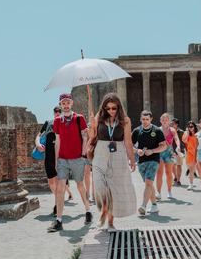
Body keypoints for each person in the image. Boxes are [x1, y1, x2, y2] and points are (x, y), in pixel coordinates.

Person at [88, 93, 136, 232]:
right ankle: (104, 210)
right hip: (100, 153)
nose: (110, 111)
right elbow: (92, 135)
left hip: (119, 153)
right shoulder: (98, 117)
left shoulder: (125, 120)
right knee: (99, 186)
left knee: (114, 190)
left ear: (118, 107)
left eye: (113, 108)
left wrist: (132, 159)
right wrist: (91, 124)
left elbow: (127, 141)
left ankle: (110, 222)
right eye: (107, 108)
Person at [47, 93, 92, 232]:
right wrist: (56, 159)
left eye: (67, 103)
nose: (65, 106)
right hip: (62, 159)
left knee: (80, 186)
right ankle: (58, 220)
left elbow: (85, 137)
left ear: (71, 103)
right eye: (63, 104)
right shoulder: (57, 121)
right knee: (60, 187)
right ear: (60, 105)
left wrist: (83, 154)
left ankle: (88, 210)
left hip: (77, 158)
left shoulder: (79, 118)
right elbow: (58, 141)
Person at [35, 106, 72, 217]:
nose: (57, 113)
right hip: (49, 156)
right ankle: (59, 199)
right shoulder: (48, 123)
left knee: (60, 182)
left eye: (59, 111)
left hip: (62, 157)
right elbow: (39, 135)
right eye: (55, 111)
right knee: (51, 182)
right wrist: (37, 144)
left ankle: (57, 204)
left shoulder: (66, 123)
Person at [132, 110, 167, 215]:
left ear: (151, 119)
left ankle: (143, 205)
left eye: (147, 119)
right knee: (149, 184)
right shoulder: (136, 131)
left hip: (154, 160)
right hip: (141, 160)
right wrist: (137, 150)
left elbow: (163, 145)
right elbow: (130, 145)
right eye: (143, 119)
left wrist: (152, 151)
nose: (145, 121)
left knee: (148, 182)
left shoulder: (157, 130)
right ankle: (155, 205)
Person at [155, 113, 181, 200]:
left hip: (169, 151)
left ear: (168, 121)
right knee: (159, 173)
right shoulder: (158, 130)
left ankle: (169, 191)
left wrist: (178, 146)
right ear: (160, 121)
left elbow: (176, 138)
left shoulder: (172, 130)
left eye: (166, 120)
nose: (164, 121)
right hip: (160, 151)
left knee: (168, 173)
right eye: (163, 119)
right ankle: (158, 192)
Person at [183, 121, 201, 191]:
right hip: (190, 152)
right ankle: (191, 184)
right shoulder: (186, 133)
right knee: (191, 169)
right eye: (189, 127)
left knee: (199, 169)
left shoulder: (198, 133)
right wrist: (187, 133)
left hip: (198, 152)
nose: (190, 128)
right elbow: (184, 141)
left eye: (191, 127)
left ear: (194, 127)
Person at [171, 118, 185, 186]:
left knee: (179, 165)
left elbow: (184, 141)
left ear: (176, 125)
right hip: (171, 151)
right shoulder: (169, 131)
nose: (171, 125)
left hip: (179, 151)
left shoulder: (181, 132)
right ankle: (175, 176)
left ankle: (178, 180)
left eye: (172, 124)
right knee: (172, 166)